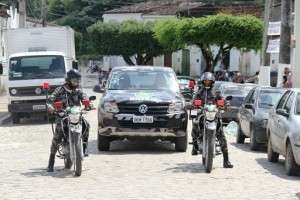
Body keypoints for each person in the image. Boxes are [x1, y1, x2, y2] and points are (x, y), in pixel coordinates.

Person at [46, 69, 94, 172]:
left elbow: (84, 97)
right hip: (62, 116)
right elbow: (50, 100)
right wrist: (51, 107)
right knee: (57, 137)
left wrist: (88, 104)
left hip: (76, 116)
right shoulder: (59, 90)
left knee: (87, 126)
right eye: (74, 81)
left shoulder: (78, 90)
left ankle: (84, 148)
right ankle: (51, 161)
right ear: (68, 80)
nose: (76, 83)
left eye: (78, 81)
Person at [186, 72, 233, 168]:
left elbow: (222, 99)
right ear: (203, 82)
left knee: (221, 134)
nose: (207, 83)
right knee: (195, 123)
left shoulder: (216, 91)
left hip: (214, 113)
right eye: (205, 81)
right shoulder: (200, 91)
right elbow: (194, 99)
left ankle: (226, 160)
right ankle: (194, 146)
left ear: (212, 82)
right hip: (203, 112)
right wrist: (191, 103)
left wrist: (226, 104)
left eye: (209, 81)